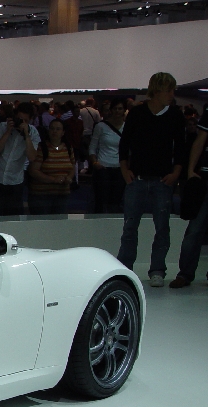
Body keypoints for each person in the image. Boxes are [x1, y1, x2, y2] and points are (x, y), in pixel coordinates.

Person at [117, 72, 186, 287]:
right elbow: (124, 143)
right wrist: (124, 169)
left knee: (162, 227)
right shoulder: (137, 113)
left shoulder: (175, 115)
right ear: (157, 91)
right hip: (137, 178)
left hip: (162, 180)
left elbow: (181, 147)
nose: (172, 94)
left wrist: (176, 172)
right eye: (169, 90)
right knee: (130, 227)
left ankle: (157, 269)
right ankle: (125, 268)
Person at [169, 106, 208, 288]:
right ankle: (184, 273)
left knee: (195, 228)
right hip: (206, 176)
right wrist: (191, 169)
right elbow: (200, 140)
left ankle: (185, 274)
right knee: (195, 228)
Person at [0, 102, 40, 216]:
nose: (21, 122)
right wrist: (8, 131)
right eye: (19, 119)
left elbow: (32, 157)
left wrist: (26, 135)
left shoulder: (33, 133)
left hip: (15, 181)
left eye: (25, 120)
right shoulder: (3, 126)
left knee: (12, 216)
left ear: (30, 120)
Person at [27, 119, 75, 215]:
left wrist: (69, 178)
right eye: (52, 128)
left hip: (62, 193)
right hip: (42, 195)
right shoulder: (41, 147)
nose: (54, 131)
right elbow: (33, 170)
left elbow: (72, 166)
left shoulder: (68, 148)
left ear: (63, 132)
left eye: (58, 129)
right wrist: (53, 179)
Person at [89, 98, 126, 213]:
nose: (117, 111)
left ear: (124, 110)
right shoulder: (101, 126)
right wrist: (95, 162)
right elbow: (92, 147)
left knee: (116, 201)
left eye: (120, 109)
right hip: (103, 167)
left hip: (120, 168)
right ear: (111, 110)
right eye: (115, 108)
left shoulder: (127, 127)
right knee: (101, 201)